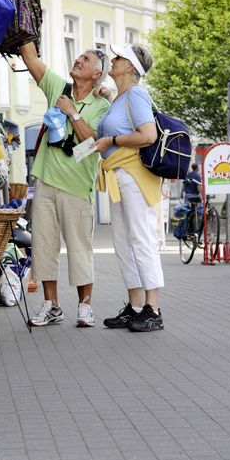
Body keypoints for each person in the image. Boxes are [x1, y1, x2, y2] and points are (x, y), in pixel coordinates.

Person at [19, 41, 110, 327]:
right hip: (45, 182)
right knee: (43, 245)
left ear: (97, 74)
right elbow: (31, 59)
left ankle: (85, 306)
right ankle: (51, 305)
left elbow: (93, 141)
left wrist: (71, 112)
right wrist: (24, 17)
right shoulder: (58, 86)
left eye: (86, 59)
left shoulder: (101, 104)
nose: (78, 60)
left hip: (76, 188)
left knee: (79, 247)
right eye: (79, 56)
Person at [92, 44, 164, 332]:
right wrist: (109, 95)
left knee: (141, 238)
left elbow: (148, 135)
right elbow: (123, 121)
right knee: (122, 240)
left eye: (119, 57)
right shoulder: (122, 97)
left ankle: (153, 309)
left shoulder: (136, 93)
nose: (113, 59)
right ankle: (135, 306)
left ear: (131, 68)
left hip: (133, 174)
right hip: (118, 176)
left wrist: (112, 142)